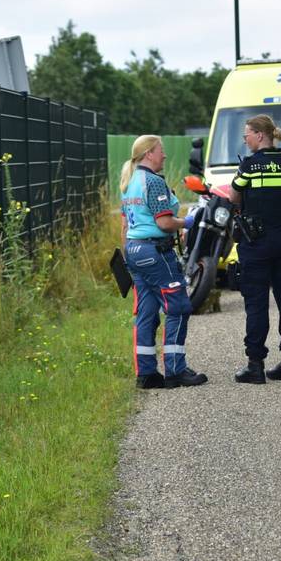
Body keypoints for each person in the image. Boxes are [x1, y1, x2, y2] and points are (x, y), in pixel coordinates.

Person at [119, 135, 207, 389]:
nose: (164, 155)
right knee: (178, 306)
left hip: (135, 251)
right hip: (156, 252)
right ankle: (176, 370)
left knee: (146, 312)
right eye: (161, 151)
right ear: (149, 153)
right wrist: (186, 223)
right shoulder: (154, 182)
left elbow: (125, 225)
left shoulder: (129, 181)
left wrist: (129, 256)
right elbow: (164, 223)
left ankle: (146, 374)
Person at [230, 114, 281, 384]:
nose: (245, 139)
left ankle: (255, 364)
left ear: (260, 135)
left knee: (256, 302)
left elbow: (234, 196)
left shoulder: (250, 166)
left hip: (258, 242)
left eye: (247, 134)